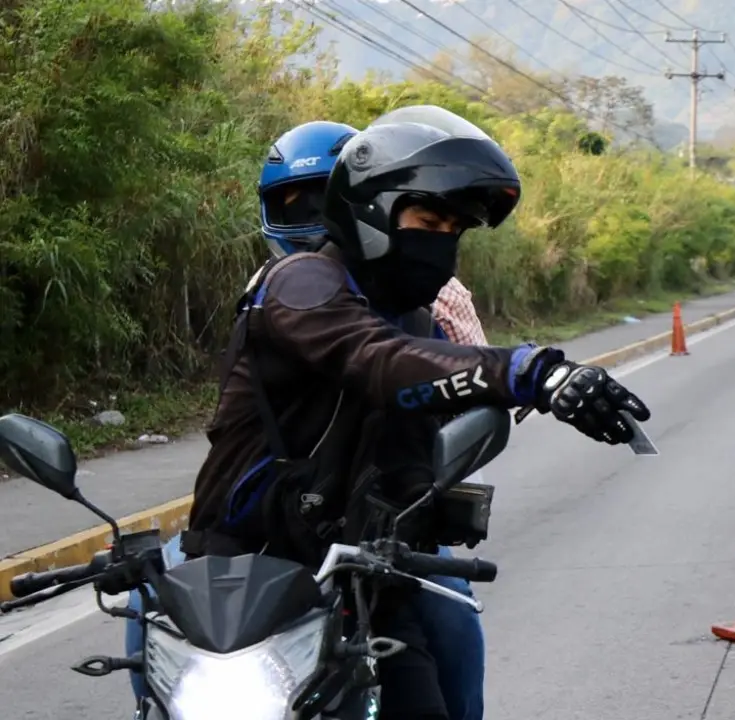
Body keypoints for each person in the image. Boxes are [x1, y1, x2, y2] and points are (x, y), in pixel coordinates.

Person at [172, 110, 648, 720]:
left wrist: (425, 508)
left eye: (454, 227)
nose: (441, 239)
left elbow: (411, 429)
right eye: (428, 220)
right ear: (372, 211)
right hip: (245, 576)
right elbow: (376, 362)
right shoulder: (301, 284)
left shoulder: (418, 318)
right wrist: (531, 371)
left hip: (362, 581)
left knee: (443, 659)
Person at [124, 118, 494, 720]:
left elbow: (420, 371)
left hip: (370, 535)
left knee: (450, 612)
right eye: (294, 201)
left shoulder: (434, 297)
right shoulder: (277, 286)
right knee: (152, 601)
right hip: (260, 537)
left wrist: (509, 377)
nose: (313, 216)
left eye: (326, 198)